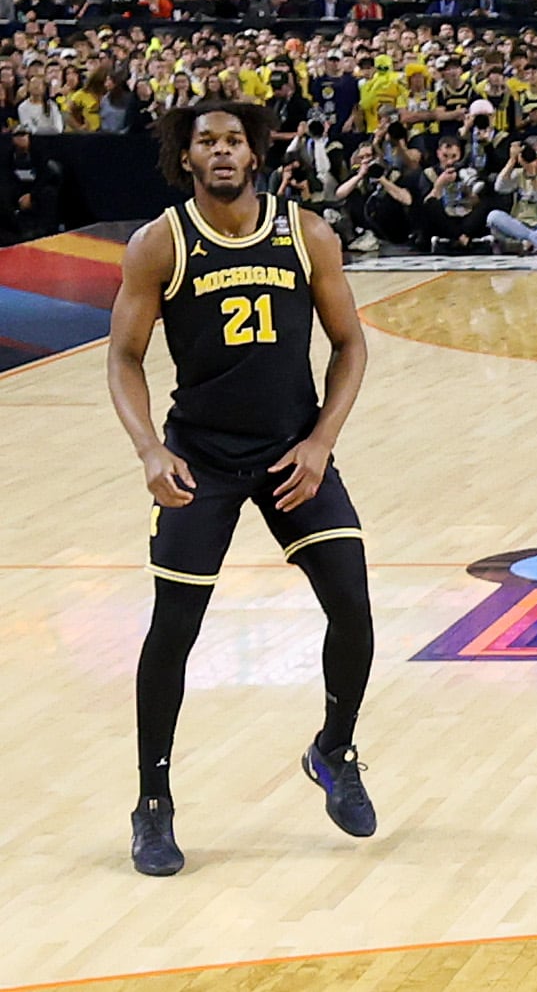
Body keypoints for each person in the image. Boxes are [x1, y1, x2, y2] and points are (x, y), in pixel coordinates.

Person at [107, 99, 375, 876]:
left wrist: (322, 440)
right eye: (206, 143)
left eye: (234, 142)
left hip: (293, 451)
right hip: (202, 458)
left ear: (255, 155)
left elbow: (351, 344)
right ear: (185, 157)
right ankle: (152, 803)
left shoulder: (306, 232)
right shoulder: (159, 243)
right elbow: (124, 356)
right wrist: (149, 449)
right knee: (174, 630)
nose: (222, 153)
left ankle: (333, 749)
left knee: (353, 602)